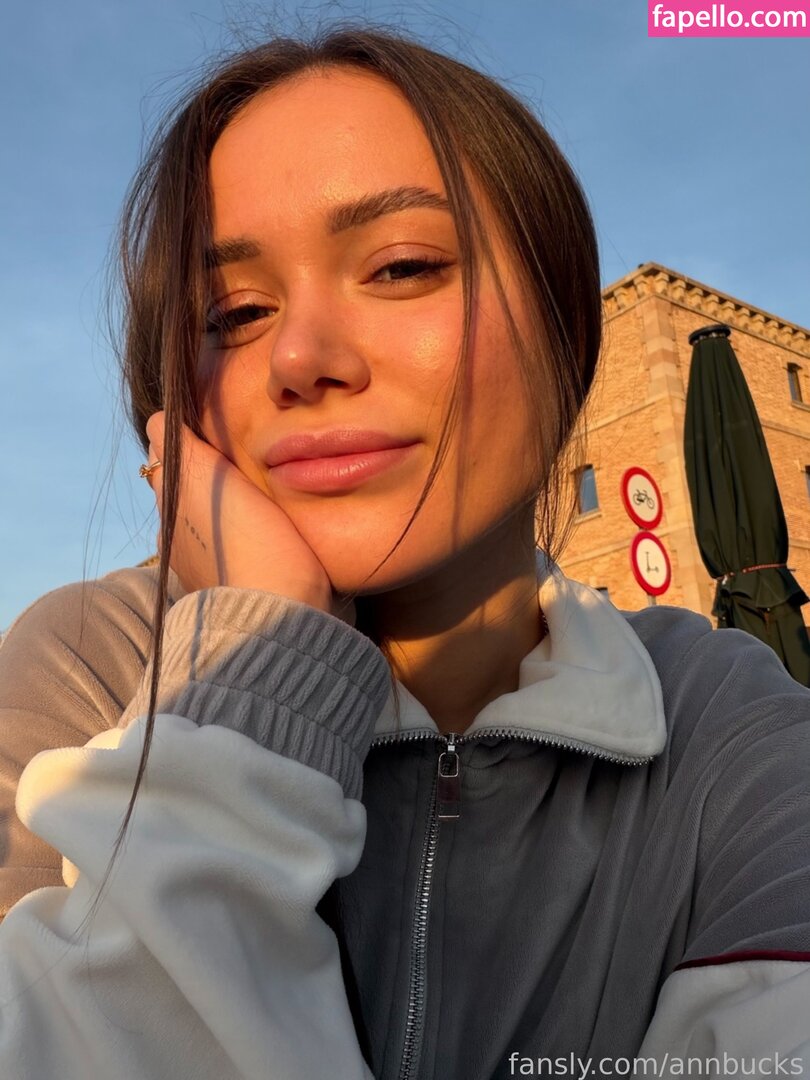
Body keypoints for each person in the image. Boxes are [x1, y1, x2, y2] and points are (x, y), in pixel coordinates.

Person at [1, 24, 810, 1080]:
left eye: (402, 266)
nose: (300, 358)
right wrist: (260, 675)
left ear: (568, 335)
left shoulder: (725, 724)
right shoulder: (93, 668)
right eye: (233, 314)